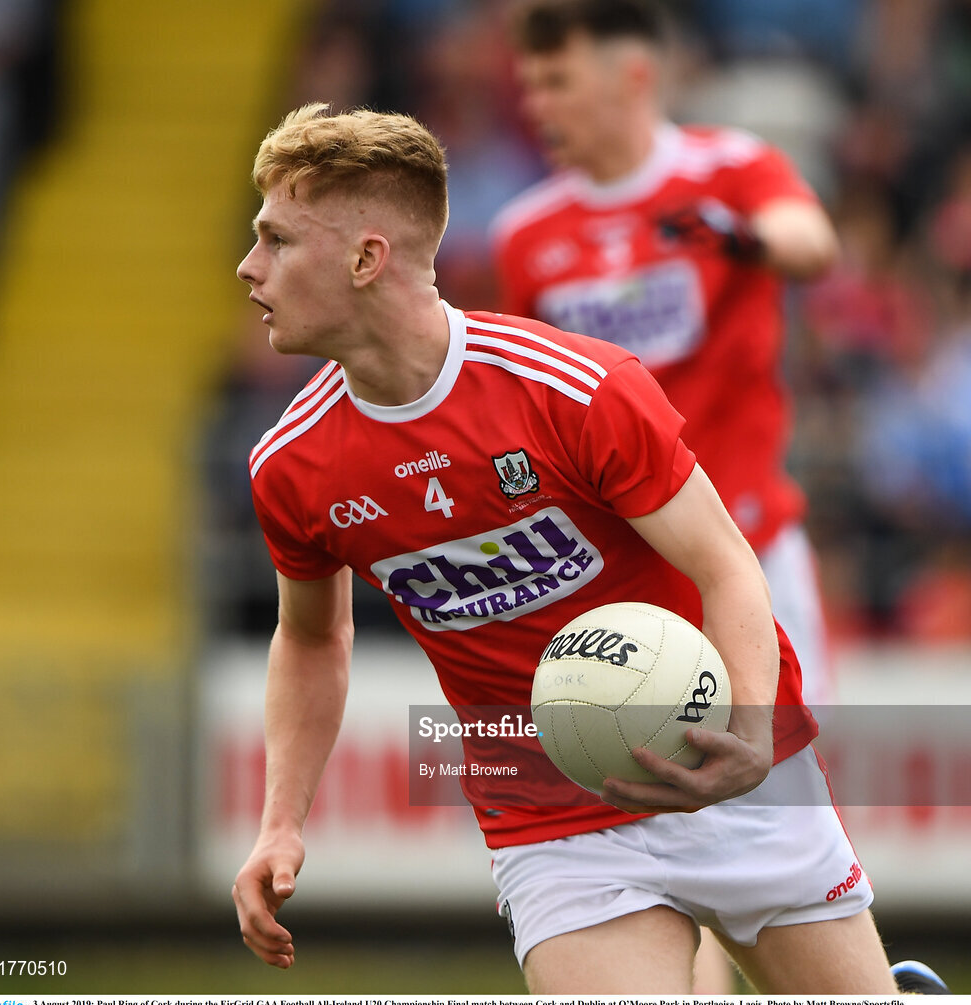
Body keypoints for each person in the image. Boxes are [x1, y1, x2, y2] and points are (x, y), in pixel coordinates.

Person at [230, 101, 904, 994]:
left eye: (276, 239)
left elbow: (725, 562)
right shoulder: (292, 463)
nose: (249, 267)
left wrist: (748, 731)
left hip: (730, 764)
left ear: (366, 259)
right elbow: (313, 638)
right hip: (549, 814)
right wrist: (281, 821)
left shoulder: (578, 390)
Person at [491, 0, 839, 711]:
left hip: (752, 543)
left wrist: (742, 239)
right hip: (622, 574)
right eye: (530, 85)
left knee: (792, 764)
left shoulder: (729, 169)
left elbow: (812, 243)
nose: (536, 105)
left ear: (634, 76)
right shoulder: (524, 233)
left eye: (557, 82)